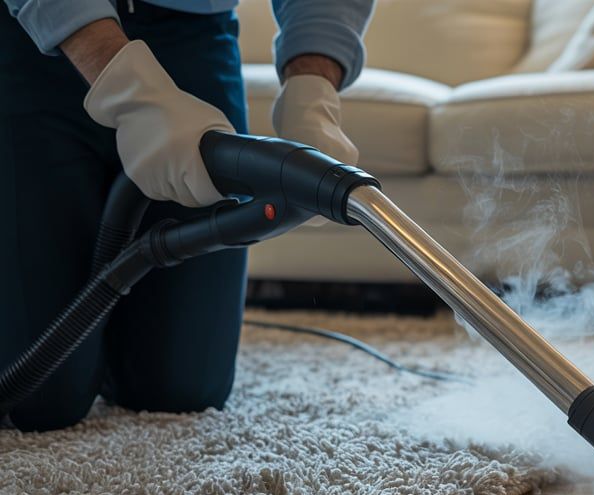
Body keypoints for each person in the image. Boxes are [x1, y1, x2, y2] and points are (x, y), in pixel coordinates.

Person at [0, 0, 372, 432]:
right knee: (38, 399)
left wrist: (313, 89)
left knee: (183, 392)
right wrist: (133, 95)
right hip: (30, 37)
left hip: (192, 36)